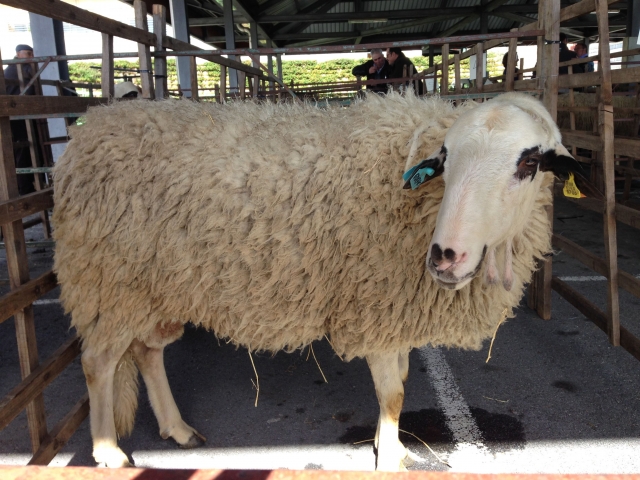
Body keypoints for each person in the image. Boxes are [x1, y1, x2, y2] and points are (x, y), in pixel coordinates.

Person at [3, 44, 36, 195]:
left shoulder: (13, 69)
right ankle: (24, 189)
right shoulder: (19, 69)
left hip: (17, 116)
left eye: (31, 54)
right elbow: (31, 92)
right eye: (28, 54)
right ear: (18, 54)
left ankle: (25, 187)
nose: (31, 57)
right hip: (17, 118)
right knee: (23, 150)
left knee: (24, 151)